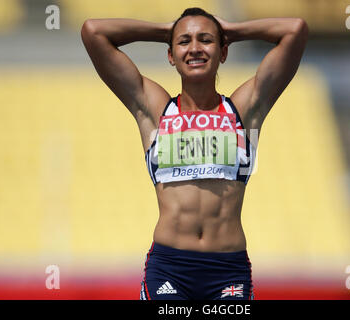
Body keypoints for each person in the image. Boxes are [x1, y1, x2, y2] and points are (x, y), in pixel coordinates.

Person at [81, 7, 308, 300]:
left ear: (223, 52)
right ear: (171, 55)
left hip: (228, 270)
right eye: (184, 41)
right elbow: (93, 32)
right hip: (169, 269)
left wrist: (232, 31)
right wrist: (166, 30)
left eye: (206, 40)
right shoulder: (154, 109)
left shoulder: (244, 109)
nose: (195, 48)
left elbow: (295, 29)